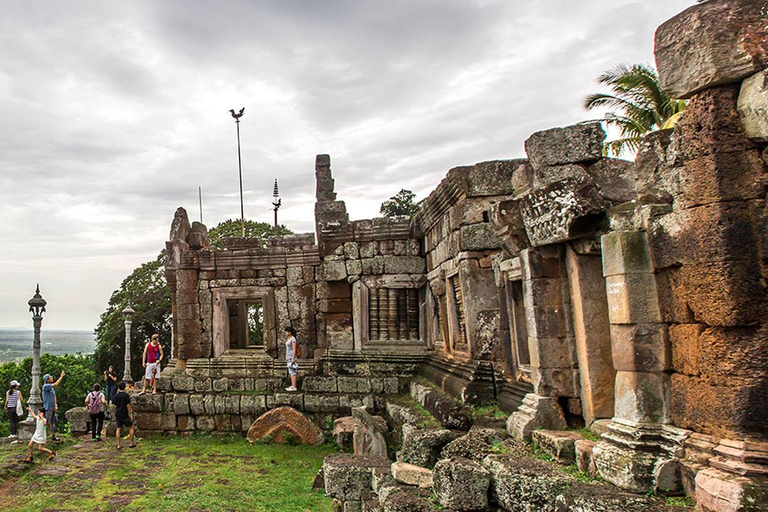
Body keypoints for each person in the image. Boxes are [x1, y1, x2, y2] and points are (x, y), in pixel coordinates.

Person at [42, 371, 64, 441]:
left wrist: (55, 405)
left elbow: (54, 396)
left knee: (53, 422)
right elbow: (56, 384)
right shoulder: (46, 386)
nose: (52, 378)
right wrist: (61, 376)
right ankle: (43, 435)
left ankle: (53, 435)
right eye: (50, 377)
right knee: (46, 422)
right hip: (48, 407)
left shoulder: (51, 388)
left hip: (52, 407)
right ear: (47, 379)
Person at [112, 381, 136, 449]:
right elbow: (128, 405)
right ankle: (131, 442)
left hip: (118, 413)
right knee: (131, 427)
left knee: (118, 428)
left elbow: (114, 405)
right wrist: (130, 414)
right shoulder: (126, 395)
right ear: (124, 387)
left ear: (118, 388)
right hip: (124, 413)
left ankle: (119, 444)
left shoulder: (115, 396)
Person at [284, 326, 299, 392]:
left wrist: (293, 358)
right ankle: (293, 385)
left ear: (290, 332)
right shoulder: (288, 338)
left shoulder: (293, 339)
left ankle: (294, 386)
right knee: (291, 371)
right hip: (288, 357)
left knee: (292, 372)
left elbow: (294, 349)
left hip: (291, 357)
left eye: (286, 331)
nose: (285, 332)